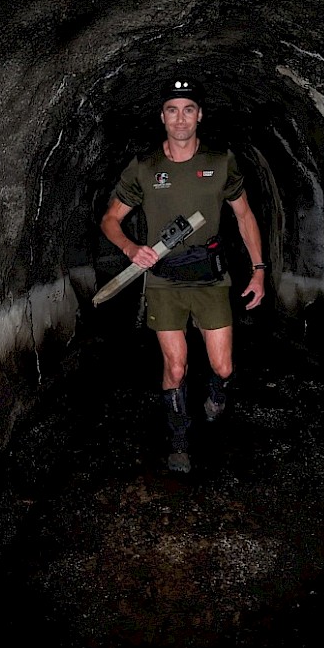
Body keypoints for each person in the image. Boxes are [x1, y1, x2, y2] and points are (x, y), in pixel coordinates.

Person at [100, 75, 266, 473]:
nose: (180, 119)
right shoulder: (144, 167)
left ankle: (216, 396)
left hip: (210, 278)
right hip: (164, 282)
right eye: (172, 110)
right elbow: (109, 219)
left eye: (188, 109)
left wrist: (259, 270)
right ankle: (179, 440)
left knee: (223, 367)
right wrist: (129, 247)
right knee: (175, 366)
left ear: (199, 116)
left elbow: (244, 216)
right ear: (162, 117)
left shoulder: (219, 161)